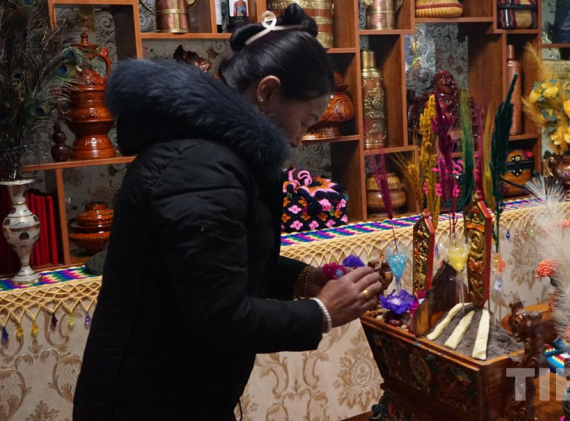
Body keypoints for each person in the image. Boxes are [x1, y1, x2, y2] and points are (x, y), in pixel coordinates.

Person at [73, 5, 382, 420]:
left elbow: (225, 262)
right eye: (306, 120)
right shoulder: (199, 165)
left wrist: (304, 279)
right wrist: (321, 312)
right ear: (267, 92)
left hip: (179, 393)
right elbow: (220, 316)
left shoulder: (217, 152)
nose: (300, 138)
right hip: (147, 401)